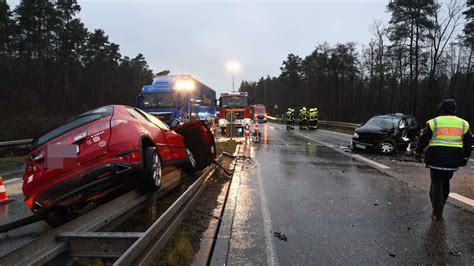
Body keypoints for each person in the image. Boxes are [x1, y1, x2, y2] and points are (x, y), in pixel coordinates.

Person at [415, 99, 471, 221]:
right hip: (453, 158)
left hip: (435, 156)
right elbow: (468, 143)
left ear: (441, 109)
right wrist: (465, 157)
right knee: (446, 181)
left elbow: (424, 139)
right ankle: (441, 204)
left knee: (436, 183)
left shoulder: (433, 122)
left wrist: (417, 151)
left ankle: (437, 211)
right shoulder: (463, 124)